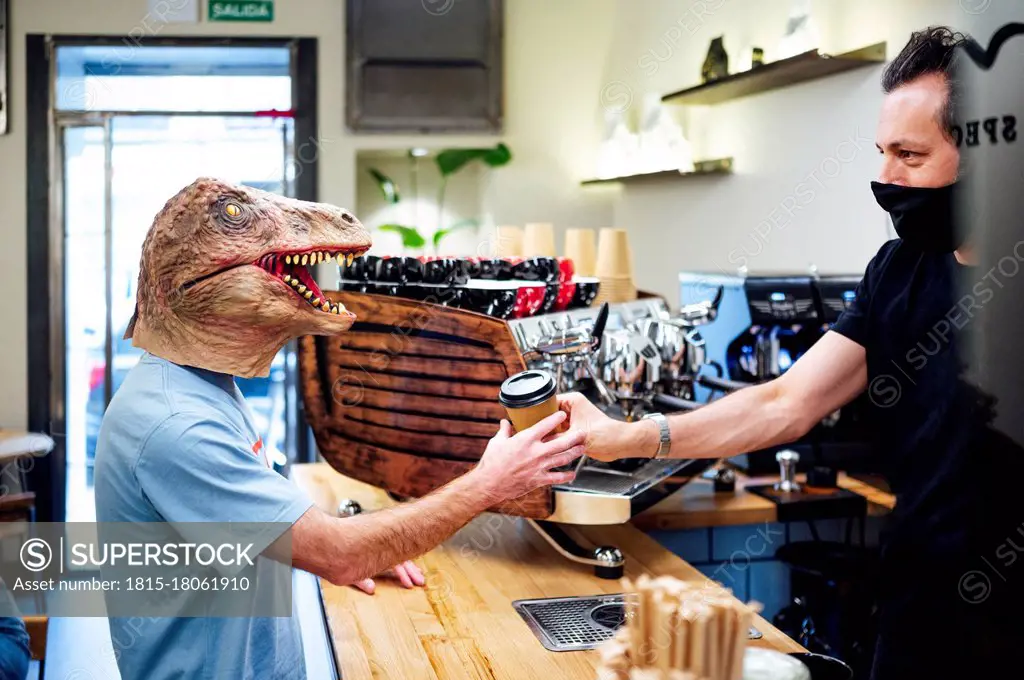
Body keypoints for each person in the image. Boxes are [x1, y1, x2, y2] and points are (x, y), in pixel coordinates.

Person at [560, 26, 1023, 680]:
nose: (885, 177)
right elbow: (786, 401)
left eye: (910, 156)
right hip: (916, 611)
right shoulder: (898, 268)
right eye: (881, 151)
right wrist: (627, 437)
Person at [95, 178, 585, 680]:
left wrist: (373, 541)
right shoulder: (178, 422)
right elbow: (339, 557)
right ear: (170, 281)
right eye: (234, 217)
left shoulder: (201, 385)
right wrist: (488, 483)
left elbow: (270, 531)